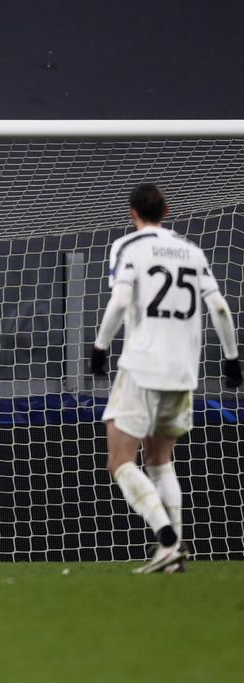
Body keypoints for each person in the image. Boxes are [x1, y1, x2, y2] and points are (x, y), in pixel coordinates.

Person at [91, 183, 241, 574]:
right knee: (161, 462)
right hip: (182, 373)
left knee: (121, 462)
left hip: (142, 367)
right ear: (167, 210)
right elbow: (220, 308)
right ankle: (172, 554)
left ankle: (166, 537)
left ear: (131, 213)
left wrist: (100, 347)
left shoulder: (129, 248)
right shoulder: (192, 251)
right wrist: (231, 358)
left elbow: (121, 301)